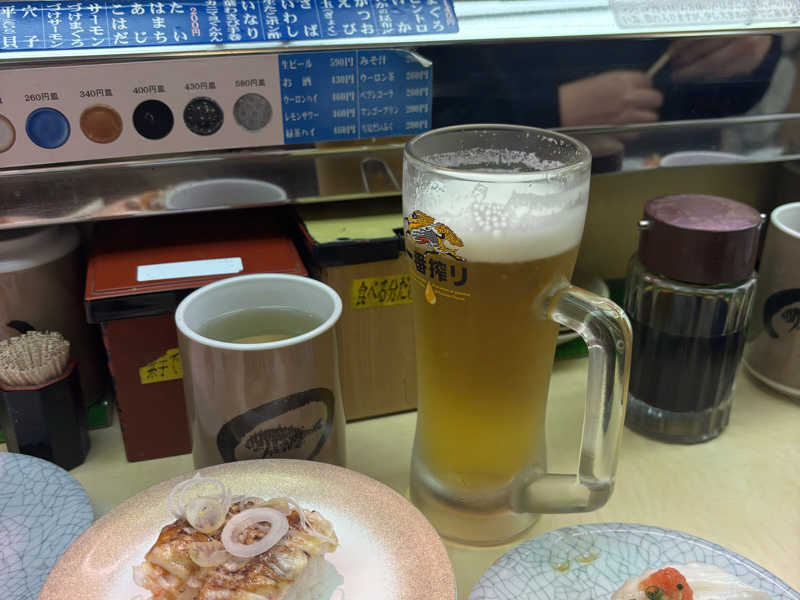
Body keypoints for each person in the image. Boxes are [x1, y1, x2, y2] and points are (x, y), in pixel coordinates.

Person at [426, 36, 780, 129]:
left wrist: (758, 45)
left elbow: (720, 103)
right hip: (482, 176)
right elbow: (414, 113)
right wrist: (549, 109)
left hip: (652, 167)